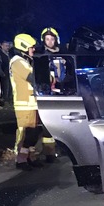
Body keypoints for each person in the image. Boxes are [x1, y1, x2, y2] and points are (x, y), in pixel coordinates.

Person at [10, 33, 42, 170]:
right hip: (24, 104)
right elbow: (33, 78)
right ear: (23, 47)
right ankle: (21, 160)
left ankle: (30, 157)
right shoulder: (18, 62)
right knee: (25, 134)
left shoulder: (25, 61)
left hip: (31, 102)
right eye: (31, 47)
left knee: (34, 132)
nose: (33, 50)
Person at [35, 27, 63, 160]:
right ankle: (49, 152)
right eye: (47, 39)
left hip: (63, 90)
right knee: (48, 123)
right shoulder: (40, 55)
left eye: (52, 39)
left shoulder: (63, 53)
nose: (50, 41)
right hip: (47, 91)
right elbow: (39, 75)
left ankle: (63, 149)